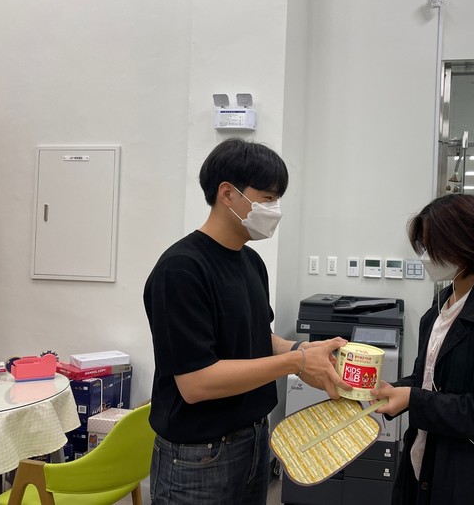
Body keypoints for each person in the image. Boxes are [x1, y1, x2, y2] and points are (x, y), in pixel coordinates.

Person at [144, 138, 350, 505]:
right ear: (227, 193)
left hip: (253, 440)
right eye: (267, 198)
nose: (274, 210)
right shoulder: (181, 269)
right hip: (200, 456)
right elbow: (196, 382)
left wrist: (304, 349)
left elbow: (256, 338)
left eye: (277, 199)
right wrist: (296, 362)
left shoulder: (251, 262)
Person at [373, 194, 474, 505]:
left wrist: (414, 400)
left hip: (468, 474)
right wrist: (392, 391)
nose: (425, 256)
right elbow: (428, 379)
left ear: (466, 244)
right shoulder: (441, 305)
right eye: (423, 245)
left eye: (432, 245)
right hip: (425, 459)